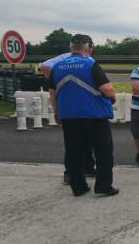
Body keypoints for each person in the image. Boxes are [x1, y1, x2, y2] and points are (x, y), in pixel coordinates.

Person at [48, 34, 119, 197]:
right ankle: (103, 186)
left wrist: (57, 112)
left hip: (69, 116)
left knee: (74, 152)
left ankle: (79, 187)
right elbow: (106, 88)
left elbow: (52, 93)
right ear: (88, 48)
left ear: (71, 48)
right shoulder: (91, 64)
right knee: (103, 152)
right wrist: (112, 97)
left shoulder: (57, 66)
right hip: (94, 115)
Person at [40, 53, 96, 184]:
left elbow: (44, 66)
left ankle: (87, 166)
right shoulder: (89, 60)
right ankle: (70, 172)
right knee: (74, 142)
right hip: (79, 104)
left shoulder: (63, 59)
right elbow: (44, 67)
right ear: (88, 47)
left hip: (73, 104)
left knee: (84, 140)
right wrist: (56, 80)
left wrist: (57, 80)